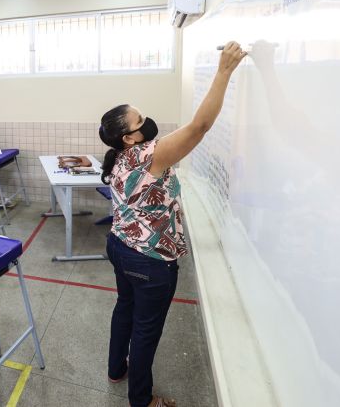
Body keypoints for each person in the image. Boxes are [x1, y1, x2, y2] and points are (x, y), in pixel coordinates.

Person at [98, 42, 247, 407]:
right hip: (149, 261)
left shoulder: (119, 157)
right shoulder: (149, 155)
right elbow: (200, 126)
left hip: (120, 247)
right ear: (129, 136)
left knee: (125, 308)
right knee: (146, 331)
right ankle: (141, 401)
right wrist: (224, 71)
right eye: (139, 120)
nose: (146, 121)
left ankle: (116, 368)